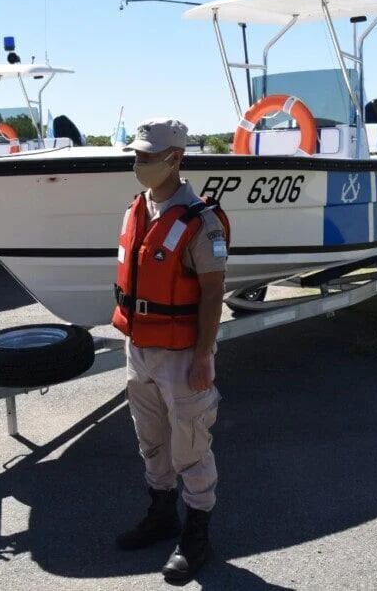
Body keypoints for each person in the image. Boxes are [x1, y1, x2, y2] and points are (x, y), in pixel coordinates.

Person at [112, 118, 229, 583]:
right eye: (135, 156)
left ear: (174, 159)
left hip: (181, 355)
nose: (138, 164)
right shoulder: (136, 210)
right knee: (150, 439)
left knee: (191, 443)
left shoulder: (200, 221)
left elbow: (212, 293)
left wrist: (204, 356)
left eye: (146, 157)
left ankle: (197, 533)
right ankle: (162, 513)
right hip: (138, 348)